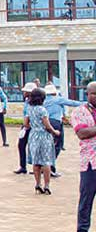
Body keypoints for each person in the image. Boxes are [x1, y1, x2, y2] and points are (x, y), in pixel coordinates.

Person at [43, 83, 82, 177]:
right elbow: (72, 103)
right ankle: (51, 167)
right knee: (57, 145)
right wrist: (86, 104)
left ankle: (45, 167)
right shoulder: (57, 99)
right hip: (56, 123)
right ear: (54, 92)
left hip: (45, 123)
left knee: (47, 146)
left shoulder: (42, 100)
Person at [71, 81, 96, 231]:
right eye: (94, 94)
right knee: (86, 202)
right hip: (90, 164)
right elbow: (82, 133)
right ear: (87, 94)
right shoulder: (79, 112)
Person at [25, 87, 59, 194]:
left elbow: (25, 124)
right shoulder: (42, 110)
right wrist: (55, 132)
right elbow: (47, 126)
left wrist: (34, 126)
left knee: (36, 161)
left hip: (33, 135)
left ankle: (37, 184)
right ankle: (47, 185)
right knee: (46, 161)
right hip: (44, 136)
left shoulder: (29, 108)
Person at [14, 83, 37, 174]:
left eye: (25, 91)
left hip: (33, 126)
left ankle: (36, 167)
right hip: (25, 126)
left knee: (33, 147)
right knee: (21, 145)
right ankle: (22, 166)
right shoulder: (27, 101)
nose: (23, 92)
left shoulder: (35, 103)